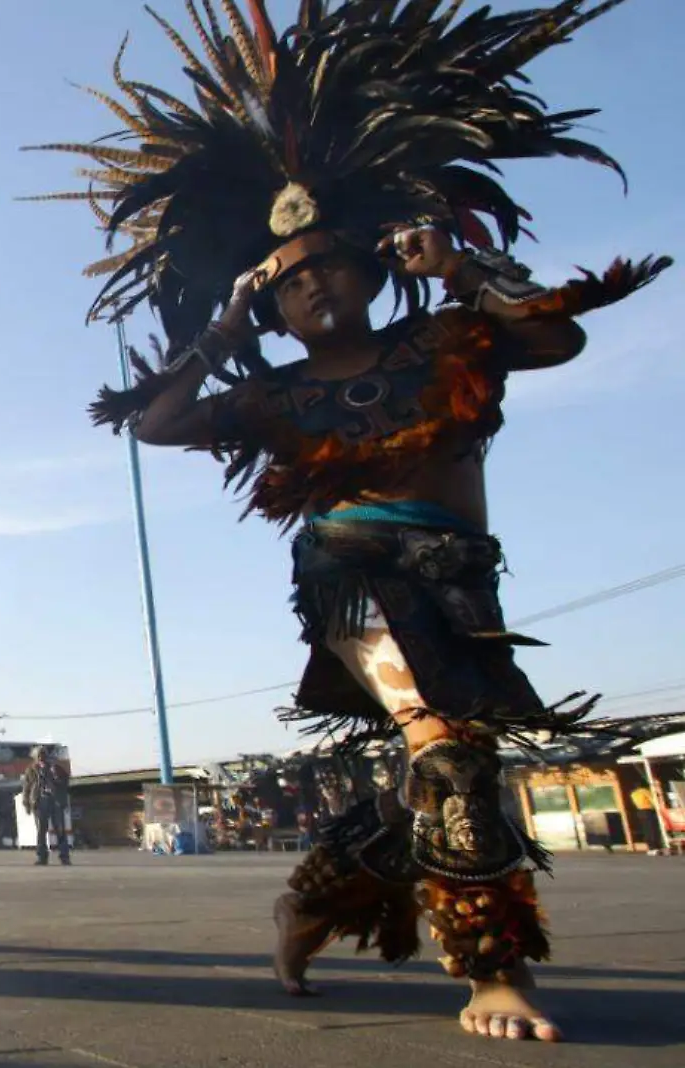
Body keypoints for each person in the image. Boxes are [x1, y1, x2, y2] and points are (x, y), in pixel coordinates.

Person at [36, 0, 668, 1043]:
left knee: (426, 774)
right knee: (454, 752)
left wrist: (458, 265)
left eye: (325, 264)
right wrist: (220, 327)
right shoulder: (272, 393)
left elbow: (557, 344)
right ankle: (490, 970)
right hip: (351, 572)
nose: (308, 285)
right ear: (271, 310)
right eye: (285, 283)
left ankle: (310, 902)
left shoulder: (444, 338)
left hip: (462, 577)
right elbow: (154, 425)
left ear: (372, 271)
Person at [19, 745, 71, 866]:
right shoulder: (31, 770)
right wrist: (26, 803)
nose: (42, 757)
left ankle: (64, 857)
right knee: (41, 831)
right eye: (39, 755)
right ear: (35, 757)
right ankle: (42, 857)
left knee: (60, 830)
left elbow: (65, 783)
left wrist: (56, 775)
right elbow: (26, 788)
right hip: (39, 801)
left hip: (55, 801)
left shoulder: (56, 768)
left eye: (44, 754)